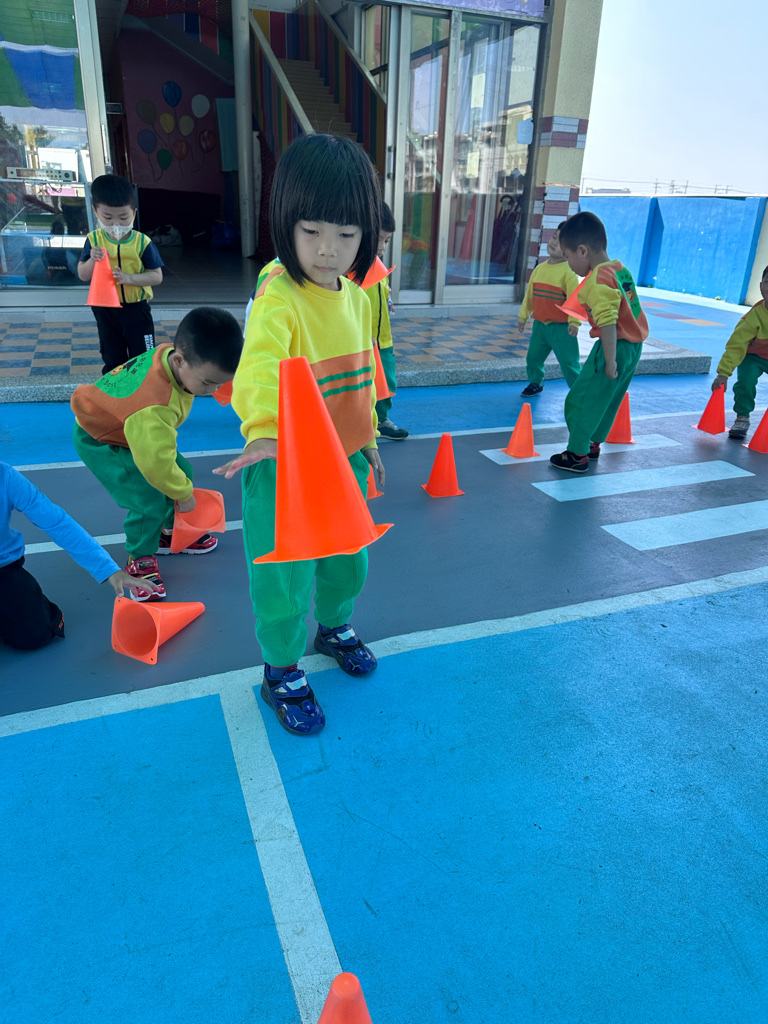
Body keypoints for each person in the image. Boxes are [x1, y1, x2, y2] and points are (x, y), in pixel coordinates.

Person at [214, 133, 384, 737]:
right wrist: (264, 432)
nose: (328, 249)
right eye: (311, 231)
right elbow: (260, 366)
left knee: (347, 561)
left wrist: (367, 438)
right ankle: (281, 669)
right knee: (284, 579)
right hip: (282, 465)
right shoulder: (279, 296)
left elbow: (362, 377)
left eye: (347, 234)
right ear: (285, 221)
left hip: (342, 464)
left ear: (367, 234)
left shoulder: (358, 300)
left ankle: (333, 627)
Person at [70, 307, 242, 601]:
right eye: (207, 383)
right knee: (146, 499)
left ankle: (167, 533)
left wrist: (180, 485)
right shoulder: (154, 407)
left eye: (219, 383)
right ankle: (139, 559)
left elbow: (160, 454)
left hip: (129, 427)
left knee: (182, 473)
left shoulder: (171, 356)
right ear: (180, 360)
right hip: (104, 439)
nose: (212, 390)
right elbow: (155, 463)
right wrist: (183, 496)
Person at [0, 461, 156, 650]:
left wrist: (109, 569)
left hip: (3, 566)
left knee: (35, 635)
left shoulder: (6, 476)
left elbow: (56, 522)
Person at [549, 211, 649, 473]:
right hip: (634, 346)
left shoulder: (597, 280)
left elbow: (607, 322)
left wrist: (610, 359)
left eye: (568, 257)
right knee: (607, 399)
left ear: (582, 251)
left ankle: (576, 454)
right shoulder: (620, 270)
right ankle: (592, 444)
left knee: (580, 400)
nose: (569, 265)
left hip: (613, 347)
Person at [77, 174, 165, 374]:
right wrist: (92, 260)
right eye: (107, 218)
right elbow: (83, 275)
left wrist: (130, 279)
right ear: (96, 212)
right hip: (105, 310)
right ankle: (115, 390)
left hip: (136, 309)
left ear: (134, 213)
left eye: (124, 217)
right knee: (112, 357)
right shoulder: (94, 240)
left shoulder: (142, 242)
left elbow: (156, 276)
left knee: (143, 357)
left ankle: (142, 389)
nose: (116, 224)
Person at [518, 222, 582, 396]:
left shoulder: (569, 273)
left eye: (562, 242)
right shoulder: (539, 269)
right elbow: (529, 296)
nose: (554, 243)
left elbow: (575, 300)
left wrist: (574, 323)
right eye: (554, 237)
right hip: (540, 326)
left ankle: (580, 391)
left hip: (562, 329)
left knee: (569, 362)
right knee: (533, 358)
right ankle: (536, 382)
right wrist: (523, 317)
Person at [366, 202, 409, 440]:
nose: (382, 247)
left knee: (386, 383)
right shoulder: (348, 270)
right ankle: (363, 424)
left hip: (383, 340)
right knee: (364, 385)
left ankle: (381, 420)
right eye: (378, 239)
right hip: (363, 343)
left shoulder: (378, 266)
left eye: (387, 240)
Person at [711, 266, 768, 440]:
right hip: (753, 357)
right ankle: (742, 417)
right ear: (761, 286)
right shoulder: (753, 318)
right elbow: (736, 346)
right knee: (745, 382)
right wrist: (723, 373)